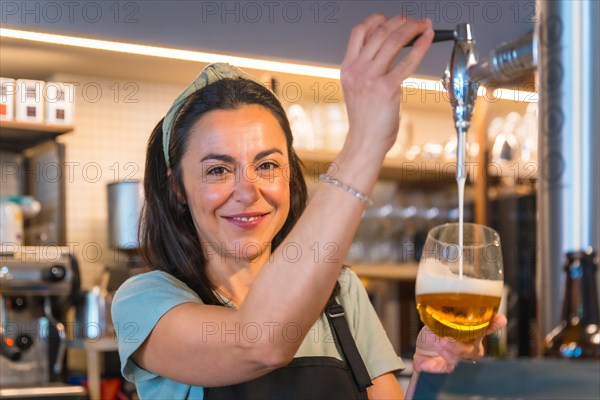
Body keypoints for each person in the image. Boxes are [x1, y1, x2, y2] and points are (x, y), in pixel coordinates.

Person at [112, 14, 507, 400]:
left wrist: (432, 373)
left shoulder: (340, 293)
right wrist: (364, 144)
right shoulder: (145, 301)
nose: (247, 192)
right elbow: (259, 343)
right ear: (177, 188)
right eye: (218, 170)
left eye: (266, 165)